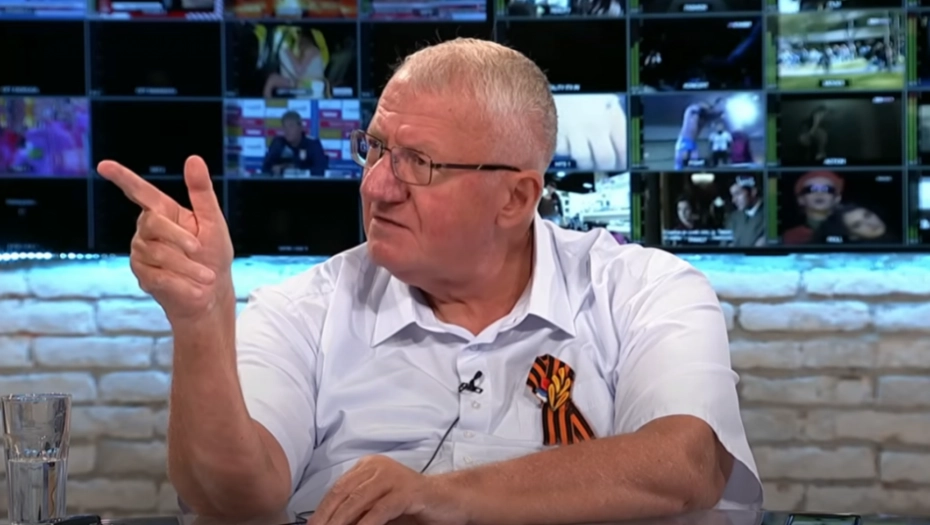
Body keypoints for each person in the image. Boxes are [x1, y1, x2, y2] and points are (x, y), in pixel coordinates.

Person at [96, 38, 762, 524]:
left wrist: (446, 495)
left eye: (419, 162)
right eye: (376, 149)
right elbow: (236, 500)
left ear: (515, 198)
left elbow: (687, 463)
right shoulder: (303, 310)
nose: (377, 186)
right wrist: (202, 320)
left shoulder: (641, 289)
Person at [262, 110, 329, 176]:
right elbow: (265, 168)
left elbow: (321, 170)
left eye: (291, 126)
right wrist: (276, 169)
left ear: (300, 127)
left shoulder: (312, 144)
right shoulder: (278, 143)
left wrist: (294, 169)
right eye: (284, 127)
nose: (287, 130)